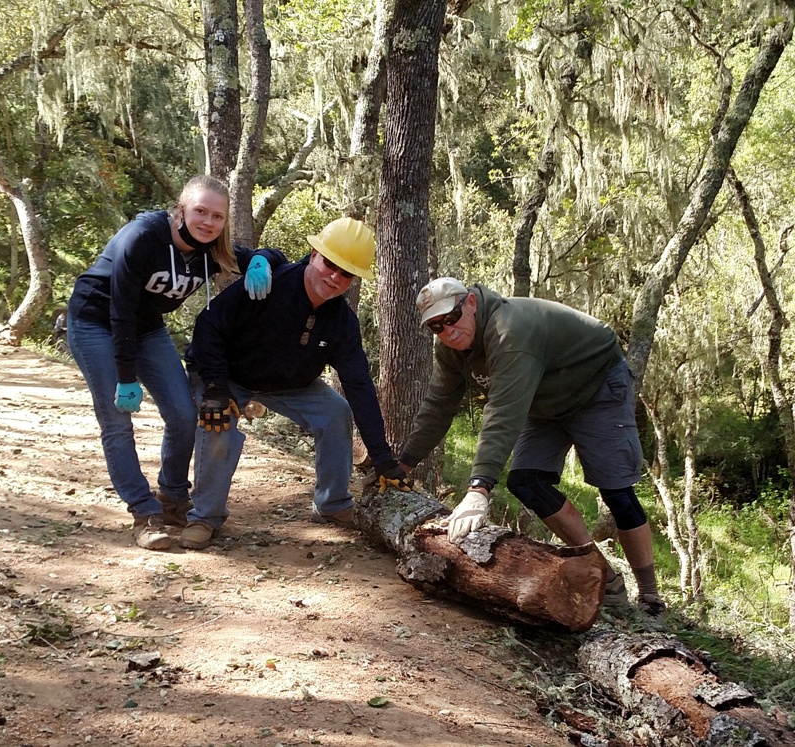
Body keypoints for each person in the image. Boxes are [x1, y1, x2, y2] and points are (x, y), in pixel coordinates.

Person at [397, 277, 665, 618]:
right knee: (526, 481)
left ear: (471, 304)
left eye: (451, 318)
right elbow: (438, 405)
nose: (447, 330)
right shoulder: (450, 348)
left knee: (616, 492)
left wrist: (479, 488)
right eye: (436, 326)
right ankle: (604, 576)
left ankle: (650, 596)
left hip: (596, 386)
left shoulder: (510, 331)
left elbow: (503, 413)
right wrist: (403, 465)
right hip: (544, 400)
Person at [66, 175, 285, 551]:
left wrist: (262, 261)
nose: (208, 222)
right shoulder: (142, 237)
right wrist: (126, 376)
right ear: (180, 210)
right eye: (200, 211)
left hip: (148, 329)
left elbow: (272, 255)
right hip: (96, 323)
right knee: (117, 421)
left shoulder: (214, 249)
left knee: (185, 415)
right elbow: (120, 312)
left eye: (217, 216)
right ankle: (143, 511)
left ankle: (171, 496)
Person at [178, 217, 413, 550]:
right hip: (226, 375)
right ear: (314, 254)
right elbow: (209, 327)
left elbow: (360, 385)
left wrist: (383, 458)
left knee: (335, 411)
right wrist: (215, 386)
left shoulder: (342, 324)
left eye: (346, 273)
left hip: (289, 386)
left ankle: (331, 504)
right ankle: (205, 517)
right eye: (330, 263)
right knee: (218, 426)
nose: (334, 277)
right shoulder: (269, 285)